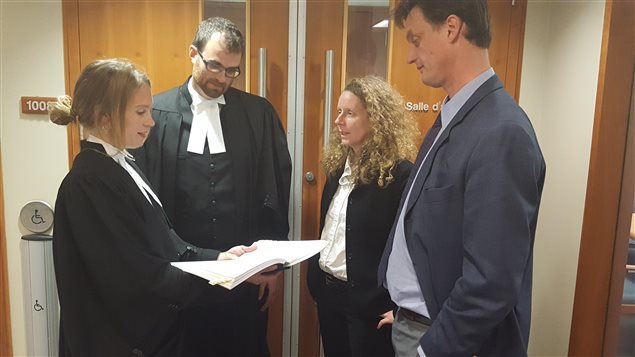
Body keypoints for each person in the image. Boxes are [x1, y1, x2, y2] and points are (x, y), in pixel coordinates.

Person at [49, 58, 258, 356]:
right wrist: (226, 278)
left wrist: (223, 258)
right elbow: (140, 277)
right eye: (140, 112)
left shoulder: (123, 165)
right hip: (122, 343)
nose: (151, 121)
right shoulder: (88, 184)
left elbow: (168, 244)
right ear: (103, 116)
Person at [377, 1, 546, 356]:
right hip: (420, 324)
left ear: (452, 28)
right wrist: (411, 307)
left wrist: (430, 347)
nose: (410, 55)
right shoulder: (456, 115)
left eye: (416, 38)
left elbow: (491, 282)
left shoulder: (501, 131)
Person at [130, 17, 292, 356]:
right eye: (215, 65)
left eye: (232, 71)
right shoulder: (155, 115)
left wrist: (271, 265)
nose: (222, 78)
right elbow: (141, 207)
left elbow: (272, 193)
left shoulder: (257, 114)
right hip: (180, 282)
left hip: (243, 279)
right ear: (193, 53)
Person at [307, 76, 418, 357]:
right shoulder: (337, 171)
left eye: (350, 113)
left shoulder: (400, 175)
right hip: (329, 294)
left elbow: (411, 247)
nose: (339, 121)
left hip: (370, 305)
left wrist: (403, 306)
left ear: (376, 121)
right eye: (339, 112)